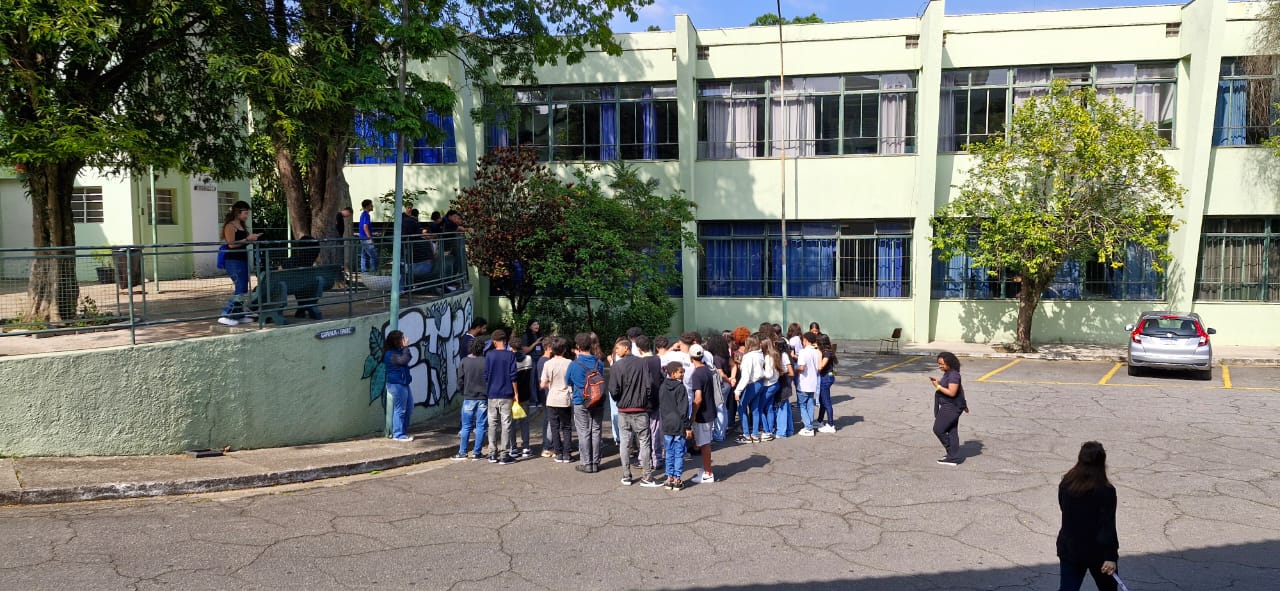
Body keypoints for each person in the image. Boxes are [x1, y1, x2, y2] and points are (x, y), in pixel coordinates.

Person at [1057, 441, 1120, 591]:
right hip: (1098, 553)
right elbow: (1107, 525)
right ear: (1102, 462)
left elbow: (1063, 507)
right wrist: (1110, 556)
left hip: (1070, 548)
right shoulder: (1106, 491)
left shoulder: (1067, 483)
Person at [609, 339, 659, 487]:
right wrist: (645, 400)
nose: (616, 351)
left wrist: (620, 399)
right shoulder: (642, 363)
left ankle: (626, 475)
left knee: (625, 443)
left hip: (623, 410)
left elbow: (613, 389)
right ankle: (647, 475)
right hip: (640, 409)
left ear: (626, 348)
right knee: (644, 442)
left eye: (618, 348)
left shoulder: (616, 366)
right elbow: (649, 385)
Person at [218, 201, 261, 326]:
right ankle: (227, 314)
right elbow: (231, 244)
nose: (247, 216)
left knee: (243, 288)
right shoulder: (230, 226)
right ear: (238, 212)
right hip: (233, 260)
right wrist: (247, 239)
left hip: (242, 259)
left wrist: (253, 238)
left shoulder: (242, 225)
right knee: (240, 287)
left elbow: (244, 241)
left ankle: (238, 314)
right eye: (245, 213)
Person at [567, 333, 605, 473]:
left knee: (583, 432)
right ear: (591, 345)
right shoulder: (598, 363)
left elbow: (567, 381)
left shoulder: (574, 364)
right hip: (598, 400)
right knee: (596, 430)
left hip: (580, 400)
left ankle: (586, 463)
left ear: (578, 346)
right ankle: (595, 462)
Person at [484, 329, 519, 465]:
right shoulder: (510, 355)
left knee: (492, 424)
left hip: (492, 393)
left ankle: (492, 453)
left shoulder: (489, 355)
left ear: (494, 341)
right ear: (505, 341)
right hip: (506, 393)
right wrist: (516, 393)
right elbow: (513, 376)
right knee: (506, 424)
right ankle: (504, 454)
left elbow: (486, 375)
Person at [930, 351, 969, 466]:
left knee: (938, 429)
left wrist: (937, 386)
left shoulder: (953, 375)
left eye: (942, 364)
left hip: (952, 406)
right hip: (952, 405)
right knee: (952, 430)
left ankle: (952, 453)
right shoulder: (949, 373)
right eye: (939, 364)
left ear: (949, 363)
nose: (940, 366)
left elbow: (952, 392)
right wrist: (964, 403)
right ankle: (953, 457)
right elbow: (960, 389)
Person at [540, 337, 575, 463]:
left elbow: (542, 384)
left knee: (554, 427)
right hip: (565, 398)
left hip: (552, 399)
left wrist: (550, 382)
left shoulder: (547, 364)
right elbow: (572, 380)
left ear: (552, 349)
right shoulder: (569, 363)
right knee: (566, 426)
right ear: (564, 349)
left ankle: (558, 453)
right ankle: (567, 453)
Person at [658, 361, 691, 491]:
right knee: (679, 452)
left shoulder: (662, 386)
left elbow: (661, 405)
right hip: (679, 424)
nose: (683, 374)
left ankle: (669, 477)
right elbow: (683, 409)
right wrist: (687, 426)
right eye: (680, 372)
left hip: (667, 423)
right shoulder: (681, 388)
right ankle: (677, 478)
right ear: (673, 373)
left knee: (669, 452)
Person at [454, 338, 488, 460]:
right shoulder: (486, 361)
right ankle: (477, 452)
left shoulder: (464, 361)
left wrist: (462, 391)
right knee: (481, 426)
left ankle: (463, 452)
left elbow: (460, 380)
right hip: (483, 397)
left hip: (468, 396)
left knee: (466, 426)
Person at [687, 345, 716, 484]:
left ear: (691, 357)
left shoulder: (697, 374)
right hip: (710, 410)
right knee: (705, 442)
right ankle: (706, 468)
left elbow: (698, 398)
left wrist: (693, 415)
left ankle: (708, 473)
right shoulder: (707, 370)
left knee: (704, 444)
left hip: (703, 414)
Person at [383, 330, 414, 442]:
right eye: (402, 338)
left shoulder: (397, 351)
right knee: (400, 409)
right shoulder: (390, 354)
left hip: (403, 383)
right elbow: (403, 360)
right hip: (396, 384)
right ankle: (398, 434)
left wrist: (404, 349)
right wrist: (406, 347)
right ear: (396, 341)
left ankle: (403, 432)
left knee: (409, 407)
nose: (404, 340)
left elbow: (407, 357)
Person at [733, 336, 765, 443]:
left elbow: (746, 376)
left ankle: (746, 434)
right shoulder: (760, 354)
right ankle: (755, 434)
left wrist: (738, 391)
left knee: (742, 408)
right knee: (755, 409)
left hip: (751, 384)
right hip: (760, 382)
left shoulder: (748, 356)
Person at [794, 332, 823, 436]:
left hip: (804, 383)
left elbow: (801, 367)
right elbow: (818, 367)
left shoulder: (803, 352)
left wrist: (795, 369)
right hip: (813, 382)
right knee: (810, 404)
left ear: (805, 340)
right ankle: (809, 424)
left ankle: (808, 427)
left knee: (802, 405)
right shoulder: (816, 352)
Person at [509, 338, 533, 459]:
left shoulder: (509, 360)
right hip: (526, 394)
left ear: (511, 347)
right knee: (525, 422)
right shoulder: (528, 359)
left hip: (512, 395)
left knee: (511, 423)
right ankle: (526, 447)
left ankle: (513, 448)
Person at [815, 333, 838, 433]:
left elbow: (820, 367)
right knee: (822, 400)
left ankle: (831, 425)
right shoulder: (827, 351)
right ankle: (820, 421)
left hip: (827, 378)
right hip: (825, 377)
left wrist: (819, 353)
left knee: (826, 402)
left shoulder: (827, 353)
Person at [358, 199, 377, 273]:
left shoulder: (363, 214)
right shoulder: (366, 215)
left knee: (364, 255)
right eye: (371, 205)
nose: (372, 206)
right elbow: (365, 227)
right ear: (367, 206)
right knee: (373, 255)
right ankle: (373, 271)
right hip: (366, 238)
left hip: (362, 237)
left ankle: (364, 271)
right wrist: (369, 237)